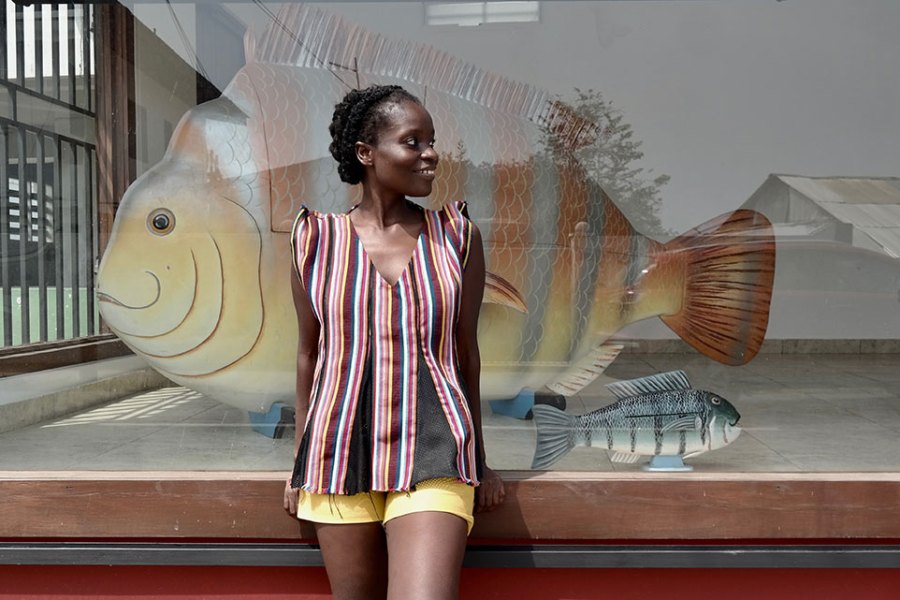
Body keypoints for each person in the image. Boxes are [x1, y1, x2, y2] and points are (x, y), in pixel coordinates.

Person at [283, 84, 505, 600]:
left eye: (432, 141)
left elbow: (466, 353)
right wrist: (300, 462)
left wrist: (481, 458)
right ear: (366, 154)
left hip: (434, 451)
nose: (430, 155)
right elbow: (308, 355)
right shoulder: (314, 240)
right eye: (413, 141)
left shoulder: (456, 237)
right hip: (337, 454)